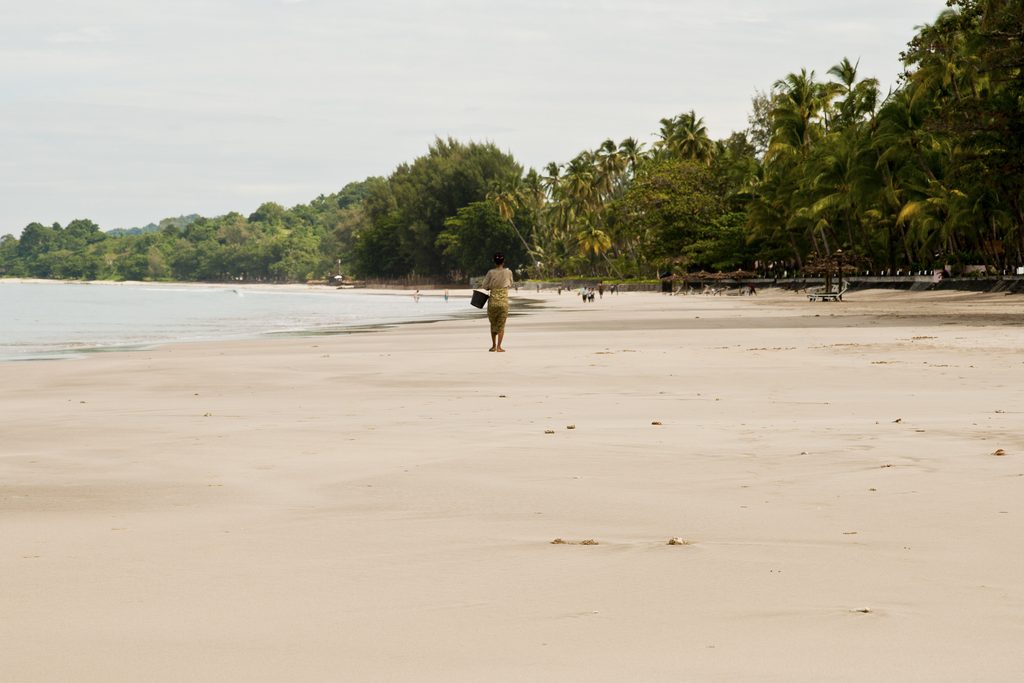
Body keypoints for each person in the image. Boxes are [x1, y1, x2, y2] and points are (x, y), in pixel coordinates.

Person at [480, 252, 514, 352]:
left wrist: (491, 287)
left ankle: (493, 346)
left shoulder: (490, 272)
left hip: (493, 302)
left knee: (493, 324)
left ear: (494, 261)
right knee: (501, 325)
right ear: (503, 261)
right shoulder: (509, 272)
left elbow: (484, 286)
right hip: (503, 302)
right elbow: (510, 284)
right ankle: (499, 347)